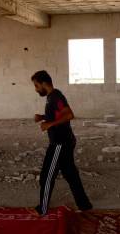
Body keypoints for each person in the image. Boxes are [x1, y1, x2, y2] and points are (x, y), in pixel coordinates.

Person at [31, 70, 92, 215]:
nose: (36, 89)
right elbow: (57, 115)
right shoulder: (52, 97)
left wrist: (49, 125)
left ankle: (42, 209)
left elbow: (69, 115)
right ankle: (84, 205)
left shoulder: (56, 97)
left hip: (60, 143)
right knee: (71, 174)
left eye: (36, 85)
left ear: (44, 83)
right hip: (66, 141)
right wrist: (43, 117)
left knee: (46, 176)